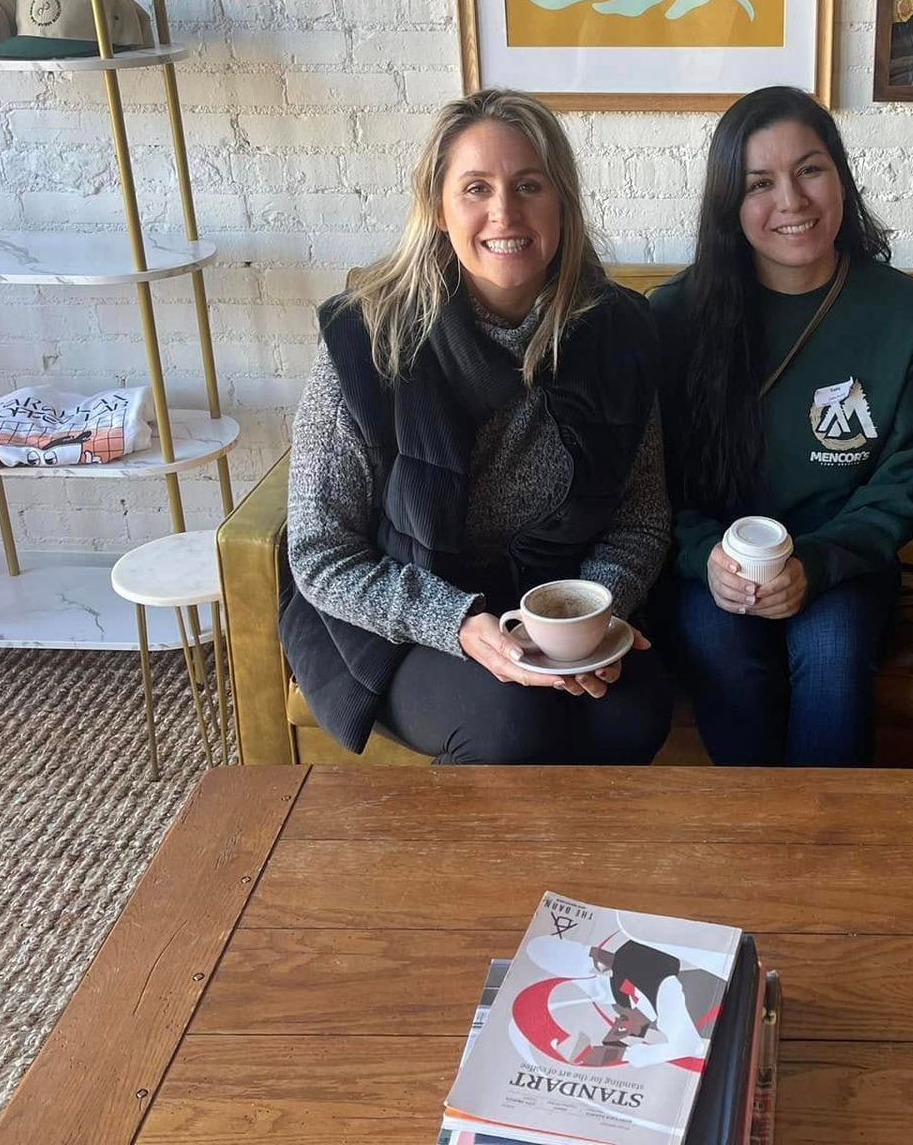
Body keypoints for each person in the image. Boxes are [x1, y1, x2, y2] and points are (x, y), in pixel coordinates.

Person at [280, 88, 673, 764]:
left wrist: (587, 617)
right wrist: (459, 624)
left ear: (562, 203)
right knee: (511, 724)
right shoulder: (365, 336)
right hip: (399, 615)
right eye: (476, 188)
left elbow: (641, 517)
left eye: (529, 185)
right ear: (438, 208)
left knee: (633, 714)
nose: (505, 213)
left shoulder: (619, 332)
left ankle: (580, 873)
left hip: (550, 603)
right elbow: (321, 552)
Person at [649, 87, 913, 766]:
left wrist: (817, 563)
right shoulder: (672, 318)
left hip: (844, 563)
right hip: (712, 568)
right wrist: (704, 556)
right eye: (760, 182)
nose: (791, 200)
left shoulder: (909, 316)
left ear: (841, 177)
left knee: (833, 648)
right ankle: (756, 849)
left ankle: (832, 847)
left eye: (810, 169)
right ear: (730, 204)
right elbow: (645, 480)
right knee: (718, 642)